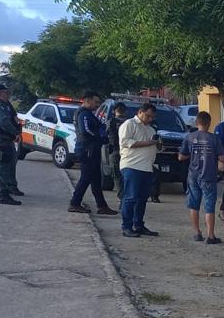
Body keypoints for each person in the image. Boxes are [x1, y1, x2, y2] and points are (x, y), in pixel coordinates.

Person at [179, 111, 224, 244]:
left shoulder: (189, 137)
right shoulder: (214, 138)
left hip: (193, 175)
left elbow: (181, 157)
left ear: (196, 122)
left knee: (194, 204)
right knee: (209, 205)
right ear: (209, 123)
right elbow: (221, 157)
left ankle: (197, 233)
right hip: (209, 175)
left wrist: (193, 154)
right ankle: (210, 236)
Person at [69, 92, 117, 215]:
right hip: (87, 150)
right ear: (87, 101)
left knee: (96, 179)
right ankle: (74, 203)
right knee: (85, 178)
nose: (97, 105)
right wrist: (100, 138)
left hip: (93, 149)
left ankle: (102, 206)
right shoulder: (84, 114)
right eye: (95, 102)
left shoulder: (89, 114)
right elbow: (86, 131)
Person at [119, 103, 161, 238]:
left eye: (152, 117)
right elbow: (126, 142)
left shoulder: (151, 130)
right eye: (148, 116)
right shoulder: (129, 124)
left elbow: (156, 147)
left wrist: (158, 144)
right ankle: (126, 226)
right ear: (140, 112)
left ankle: (139, 225)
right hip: (132, 166)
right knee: (131, 197)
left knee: (142, 199)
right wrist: (149, 143)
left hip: (147, 167)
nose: (150, 119)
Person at [105, 102, 128, 200]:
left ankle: (122, 197)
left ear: (114, 111)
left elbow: (105, 135)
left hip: (115, 151)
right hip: (127, 151)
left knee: (117, 175)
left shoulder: (111, 122)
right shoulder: (129, 122)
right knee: (124, 176)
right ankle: (124, 197)